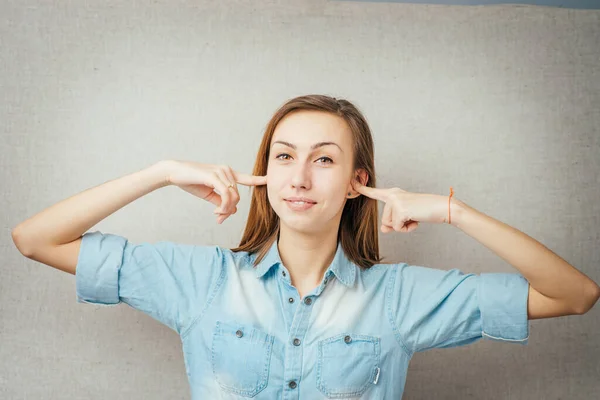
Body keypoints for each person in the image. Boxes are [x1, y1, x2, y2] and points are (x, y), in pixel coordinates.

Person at [12, 94, 600, 399]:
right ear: (264, 172)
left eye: (323, 159)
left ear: (356, 182)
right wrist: (162, 171)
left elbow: (575, 295)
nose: (299, 178)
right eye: (284, 156)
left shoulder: (399, 298)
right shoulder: (199, 280)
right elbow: (34, 239)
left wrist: (454, 211)